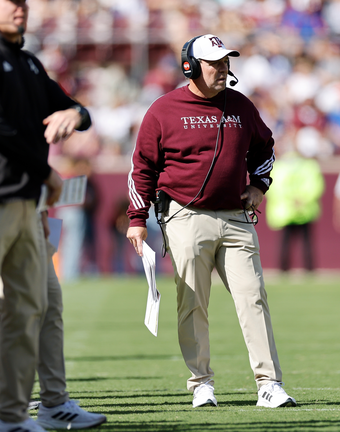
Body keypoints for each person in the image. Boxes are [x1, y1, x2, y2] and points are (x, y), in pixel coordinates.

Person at [126, 34, 297, 409]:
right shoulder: (163, 109)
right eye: (214, 63)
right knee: (192, 302)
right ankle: (201, 382)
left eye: (225, 62)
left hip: (237, 217)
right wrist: (137, 218)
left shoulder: (241, 106)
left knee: (253, 297)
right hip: (185, 215)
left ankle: (269, 383)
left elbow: (265, 149)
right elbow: (142, 169)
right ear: (190, 66)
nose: (223, 69)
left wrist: (259, 185)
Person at [0, 0, 93, 430]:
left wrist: (74, 112)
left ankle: (9, 414)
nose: (23, 9)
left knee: (32, 305)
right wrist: (42, 168)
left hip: (26, 200)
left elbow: (77, 111)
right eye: (13, 3)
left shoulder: (27, 63)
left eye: (25, 3)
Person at [265, 140, 325, 273]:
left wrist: (289, 200)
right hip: (305, 209)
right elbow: (315, 186)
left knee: (285, 243)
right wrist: (302, 199)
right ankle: (309, 269)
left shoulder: (277, 167)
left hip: (284, 211)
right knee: (307, 242)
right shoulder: (309, 166)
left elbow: (272, 188)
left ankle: (283, 269)